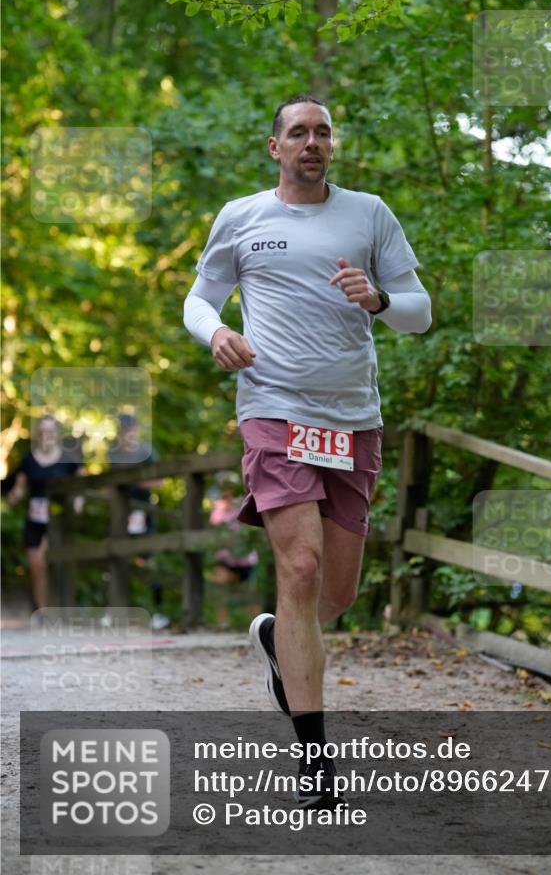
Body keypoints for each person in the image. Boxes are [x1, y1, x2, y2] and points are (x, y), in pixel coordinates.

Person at [183, 95, 431, 808]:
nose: (312, 142)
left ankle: (275, 641)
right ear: (275, 147)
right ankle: (316, 760)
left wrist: (378, 299)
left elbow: (419, 312)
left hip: (351, 419)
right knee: (299, 565)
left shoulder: (369, 213)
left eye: (322, 132)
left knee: (335, 595)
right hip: (272, 409)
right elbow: (199, 300)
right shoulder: (241, 217)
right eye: (298, 132)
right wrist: (216, 334)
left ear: (333, 144)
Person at [5, 415, 84, 611]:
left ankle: (58, 608)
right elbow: (20, 488)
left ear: (57, 434)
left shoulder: (68, 460)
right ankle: (42, 611)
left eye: (50, 432)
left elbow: (82, 485)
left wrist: (78, 501)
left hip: (58, 520)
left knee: (51, 561)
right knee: (37, 567)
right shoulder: (29, 461)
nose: (45, 436)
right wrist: (14, 495)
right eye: (41, 432)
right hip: (34, 519)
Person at [108, 413, 169, 630]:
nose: (127, 434)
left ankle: (158, 611)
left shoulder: (146, 451)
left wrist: (132, 483)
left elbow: (159, 482)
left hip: (143, 512)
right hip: (120, 513)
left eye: (130, 429)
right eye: (123, 430)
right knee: (115, 556)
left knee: (148, 559)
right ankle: (114, 611)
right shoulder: (113, 453)